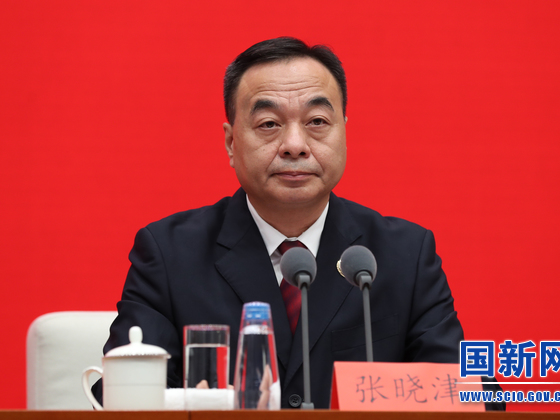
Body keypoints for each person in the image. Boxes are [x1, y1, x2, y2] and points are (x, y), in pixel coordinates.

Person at [93, 37, 499, 409]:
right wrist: (199, 404)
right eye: (269, 124)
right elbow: (115, 398)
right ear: (231, 142)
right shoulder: (170, 255)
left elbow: (473, 395)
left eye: (317, 122)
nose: (294, 145)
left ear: (344, 133)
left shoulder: (404, 255)